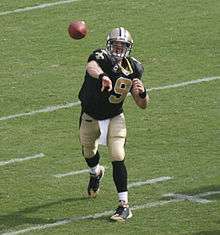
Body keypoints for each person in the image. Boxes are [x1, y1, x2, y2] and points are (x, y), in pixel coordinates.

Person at [78, 27, 149, 221]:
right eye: (115, 45)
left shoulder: (134, 68)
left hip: (115, 117)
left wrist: (142, 93)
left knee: (118, 155)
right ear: (109, 45)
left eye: (122, 45)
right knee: (88, 151)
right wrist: (103, 76)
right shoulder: (100, 56)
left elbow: (142, 104)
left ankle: (124, 205)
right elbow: (91, 66)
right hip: (90, 115)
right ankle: (95, 172)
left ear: (128, 47)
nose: (118, 48)